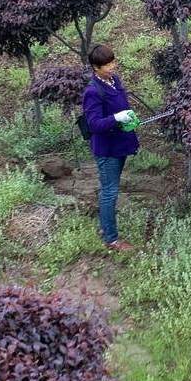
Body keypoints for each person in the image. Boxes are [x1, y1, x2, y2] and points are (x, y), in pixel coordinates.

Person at [80, 43, 139, 251]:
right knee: (109, 192)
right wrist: (116, 117)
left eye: (113, 61)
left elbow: (122, 105)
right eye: (107, 64)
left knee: (110, 189)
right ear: (96, 67)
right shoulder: (93, 92)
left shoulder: (114, 81)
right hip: (107, 150)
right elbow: (94, 124)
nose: (112, 66)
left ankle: (105, 226)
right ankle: (111, 239)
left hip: (120, 144)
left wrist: (128, 116)